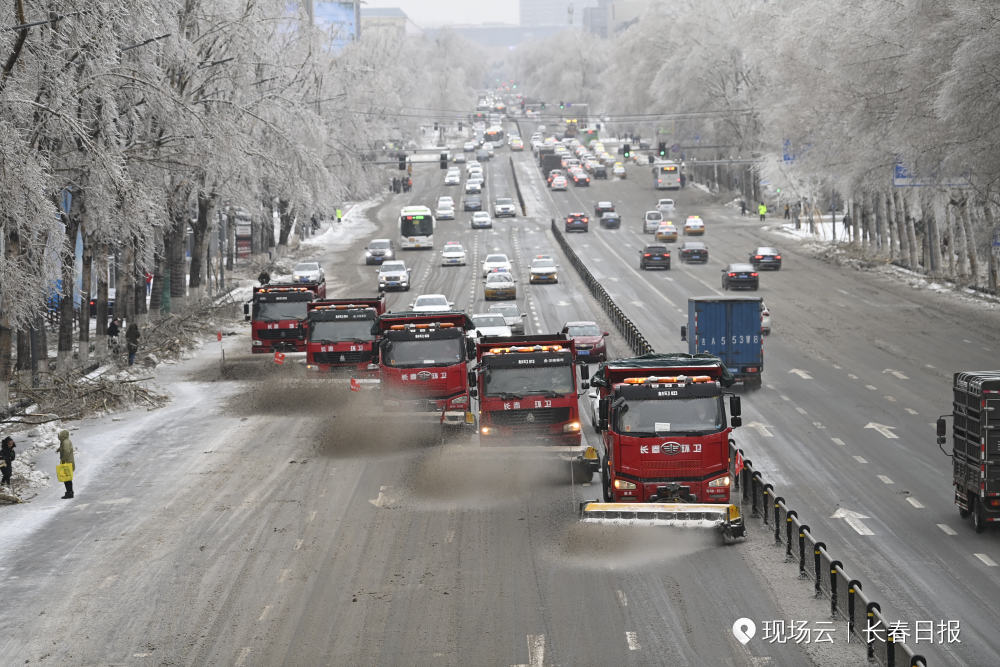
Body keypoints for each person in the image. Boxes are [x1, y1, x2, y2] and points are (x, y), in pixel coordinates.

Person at [58, 430, 74, 499]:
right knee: (67, 478)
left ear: (63, 435)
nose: (59, 436)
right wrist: (59, 449)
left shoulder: (65, 442)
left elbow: (67, 451)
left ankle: (69, 493)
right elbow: (65, 448)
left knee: (67, 479)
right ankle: (69, 492)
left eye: (60, 435)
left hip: (67, 462)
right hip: (68, 461)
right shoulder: (65, 441)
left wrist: (63, 459)